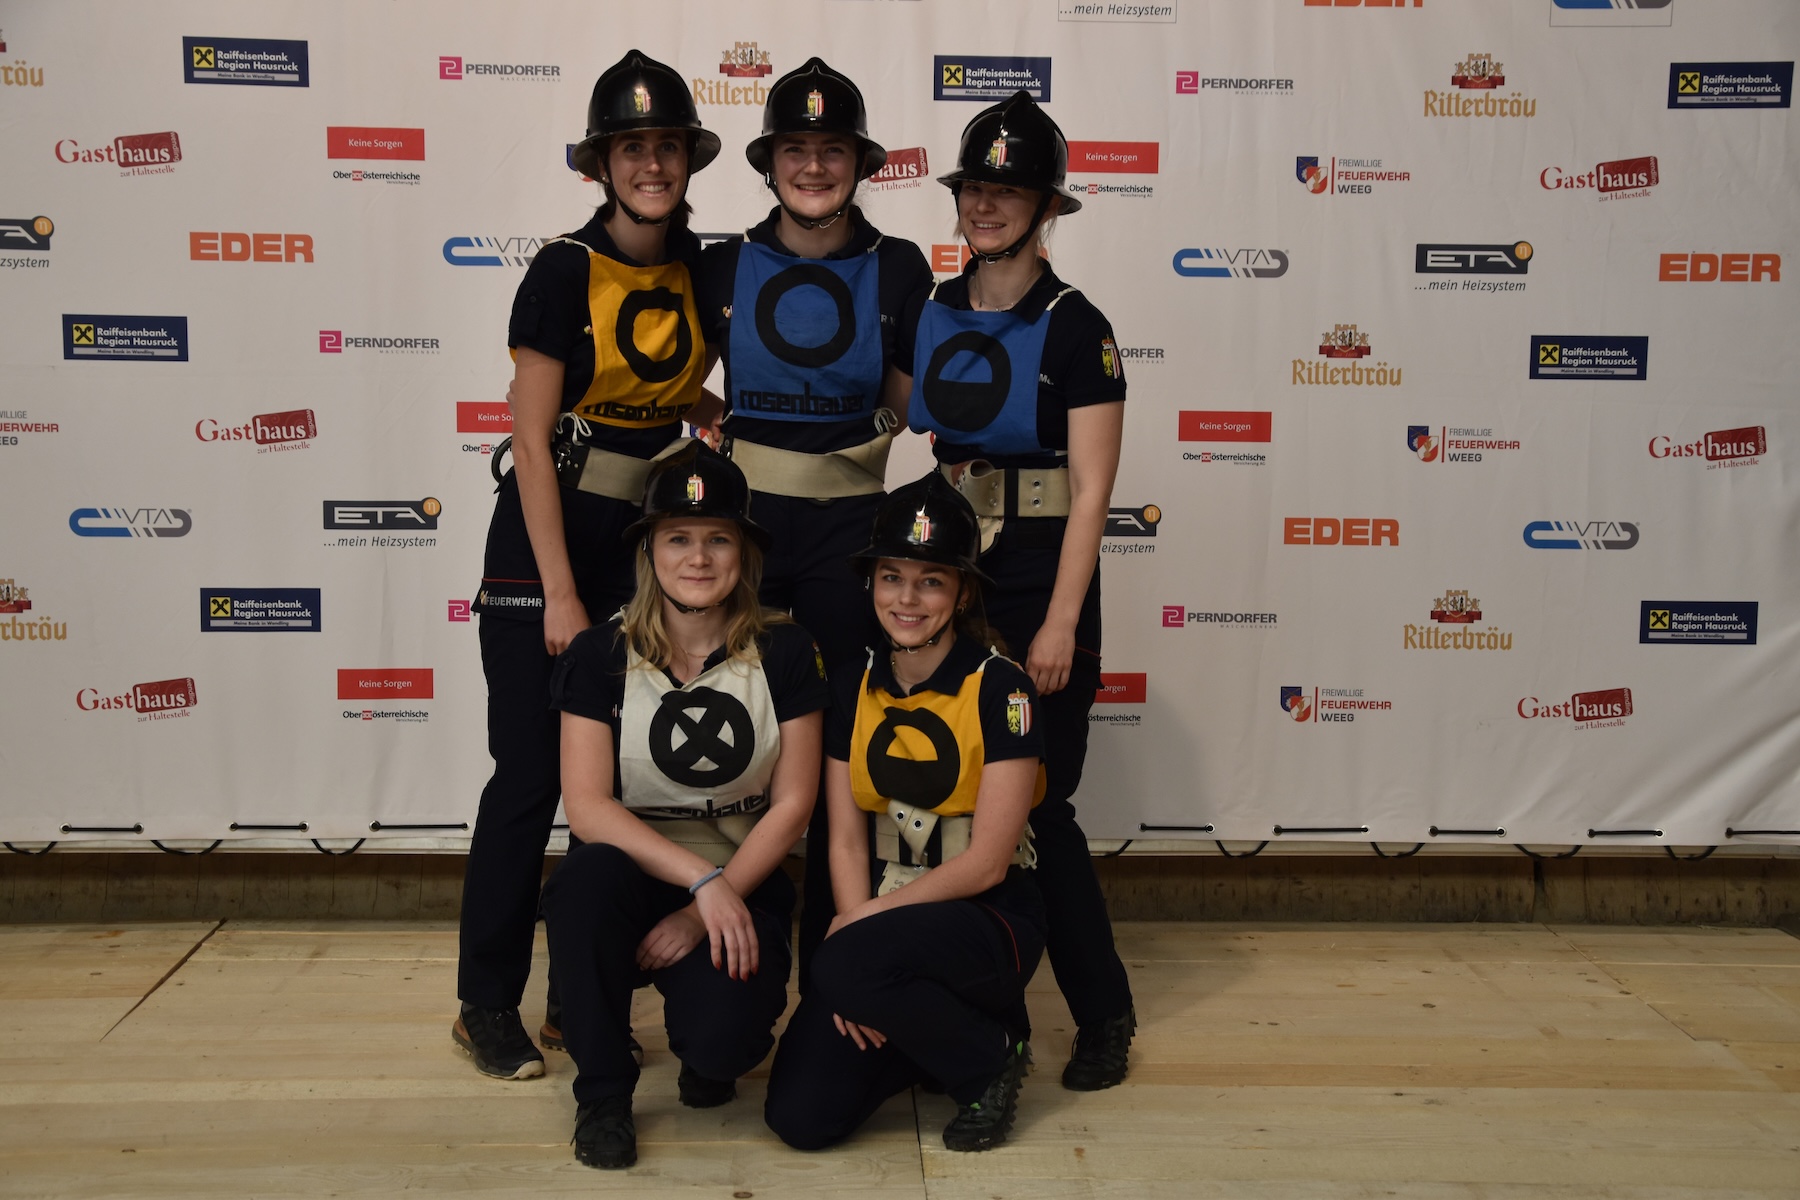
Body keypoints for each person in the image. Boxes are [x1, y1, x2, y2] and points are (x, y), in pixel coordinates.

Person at [454, 49, 721, 1081]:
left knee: (617, 787)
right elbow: (532, 440)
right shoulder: (562, 270)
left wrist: (719, 415)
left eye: (667, 146)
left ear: (688, 160)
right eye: (631, 147)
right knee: (529, 780)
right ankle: (485, 1004)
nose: (651, 164)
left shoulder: (697, 267)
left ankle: (578, 996)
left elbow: (661, 383)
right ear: (600, 164)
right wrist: (559, 592)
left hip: (639, 558)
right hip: (546, 547)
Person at [892, 90, 1136, 1090]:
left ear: (1046, 208)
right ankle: (958, 1015)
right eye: (974, 189)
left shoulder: (1079, 328)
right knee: (940, 794)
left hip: (1039, 580)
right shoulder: (932, 308)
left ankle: (1104, 1015)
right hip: (950, 577)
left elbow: (1094, 493)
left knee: (1040, 807)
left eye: (1009, 191)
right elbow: (893, 418)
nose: (986, 206)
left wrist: (1063, 624)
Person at [692, 57, 932, 989]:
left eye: (833, 150)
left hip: (851, 533)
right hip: (743, 530)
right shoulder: (719, 263)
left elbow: (905, 403)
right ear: (769, 162)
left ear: (861, 163)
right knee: (719, 720)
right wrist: (718, 424)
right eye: (796, 148)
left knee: (839, 742)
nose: (815, 167)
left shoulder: (899, 266)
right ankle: (716, 951)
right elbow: (665, 376)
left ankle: (837, 963)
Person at [540, 441, 828, 1169]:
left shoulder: (788, 652)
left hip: (742, 877)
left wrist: (707, 906)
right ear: (649, 550)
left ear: (744, 553)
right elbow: (588, 807)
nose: (697, 558)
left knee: (724, 1049)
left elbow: (794, 804)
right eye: (678, 538)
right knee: (582, 881)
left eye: (717, 539)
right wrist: (699, 883)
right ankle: (603, 1094)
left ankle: (706, 1049)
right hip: (632, 876)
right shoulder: (598, 655)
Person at [763, 473, 1047, 1152]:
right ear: (871, 583)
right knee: (800, 1118)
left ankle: (991, 1056)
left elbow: (987, 864)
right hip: (886, 921)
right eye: (892, 578)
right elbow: (845, 841)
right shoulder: (851, 686)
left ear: (963, 592)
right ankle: (924, 1041)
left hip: (988, 918)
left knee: (845, 960)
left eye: (931, 581)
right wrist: (857, 965)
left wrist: (856, 939)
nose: (907, 599)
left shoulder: (1002, 688)